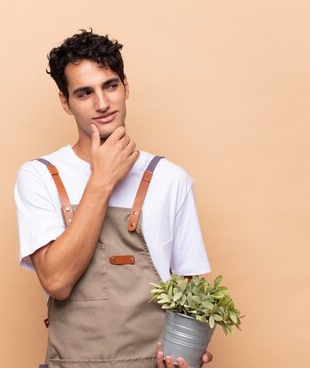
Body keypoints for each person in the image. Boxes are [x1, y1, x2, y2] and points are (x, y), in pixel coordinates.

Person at [14, 29, 213, 368]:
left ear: (126, 87)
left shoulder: (170, 179)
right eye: (84, 93)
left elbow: (190, 291)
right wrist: (102, 181)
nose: (102, 104)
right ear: (65, 102)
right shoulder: (39, 176)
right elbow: (57, 282)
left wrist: (192, 348)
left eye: (110, 86)